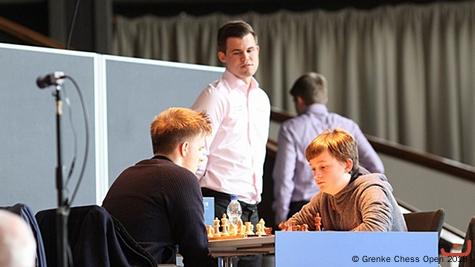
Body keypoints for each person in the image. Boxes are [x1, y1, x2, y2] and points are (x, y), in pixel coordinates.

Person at [192, 20, 270, 267]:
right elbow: (196, 149)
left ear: (257, 50)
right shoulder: (215, 95)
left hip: (252, 204)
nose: (246, 58)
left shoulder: (262, 99)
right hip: (218, 201)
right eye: (237, 52)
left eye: (250, 50)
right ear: (223, 56)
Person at [102, 107, 213, 266]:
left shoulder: (127, 175)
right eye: (200, 149)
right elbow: (196, 251)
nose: (202, 157)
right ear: (185, 148)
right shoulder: (182, 178)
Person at [273, 72, 385, 224]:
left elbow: (284, 178)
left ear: (299, 100)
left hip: (303, 205)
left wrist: (281, 217)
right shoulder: (348, 125)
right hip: (342, 204)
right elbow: (376, 166)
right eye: (314, 168)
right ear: (324, 98)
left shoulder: (291, 128)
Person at [279, 128, 406, 232]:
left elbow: (375, 231)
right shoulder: (324, 198)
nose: (316, 175)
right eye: (313, 169)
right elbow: (292, 225)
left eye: (323, 167)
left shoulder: (371, 190)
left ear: (347, 165)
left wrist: (325, 238)